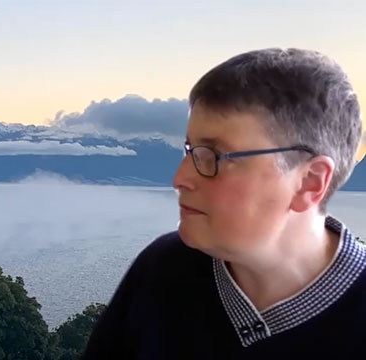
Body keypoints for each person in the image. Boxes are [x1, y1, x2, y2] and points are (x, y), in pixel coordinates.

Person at [83, 48, 364, 359]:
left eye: (214, 157)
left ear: (309, 182)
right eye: (190, 150)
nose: (180, 178)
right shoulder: (162, 268)